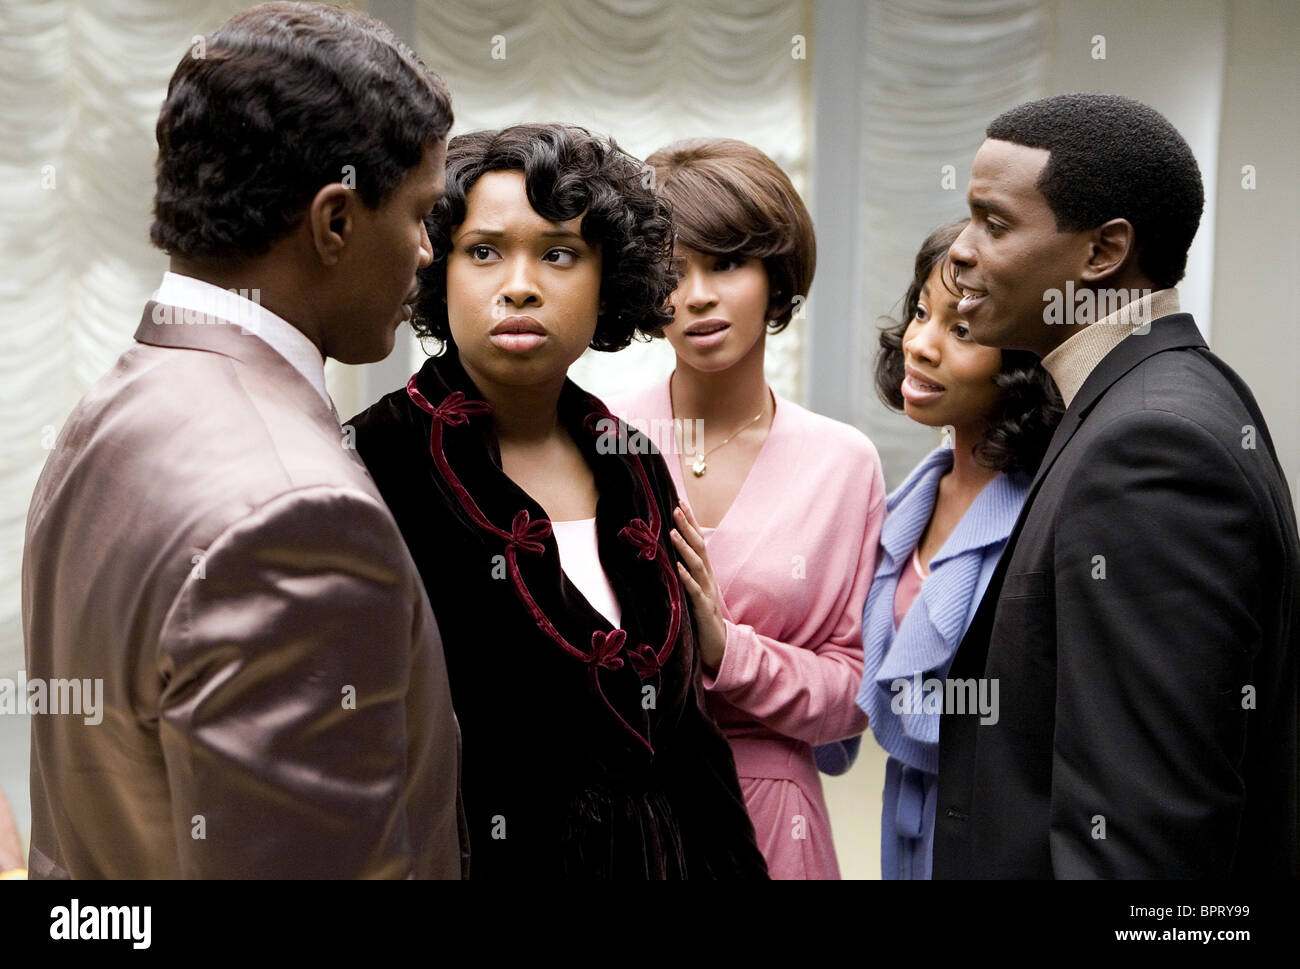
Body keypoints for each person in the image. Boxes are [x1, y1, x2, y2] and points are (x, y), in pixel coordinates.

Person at [21, 2, 465, 878]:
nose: (425, 252)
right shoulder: (300, 516)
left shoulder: (111, 408)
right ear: (335, 222)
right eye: (419, 214)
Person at [346, 123, 769, 880]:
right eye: (484, 251)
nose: (520, 284)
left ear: (609, 281)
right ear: (437, 267)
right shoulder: (374, 461)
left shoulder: (636, 462)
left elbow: (690, 744)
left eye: (559, 253)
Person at [935, 93, 1300, 878]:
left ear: (1102, 252)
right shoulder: (1150, 399)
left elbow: (1141, 845)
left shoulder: (1150, 446)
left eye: (993, 223)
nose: (958, 251)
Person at [607, 138, 886, 879]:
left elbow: (855, 694)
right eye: (673, 270)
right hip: (624, 816)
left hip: (774, 823)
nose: (697, 295)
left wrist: (728, 650)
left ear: (775, 279)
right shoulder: (600, 435)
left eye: (727, 264)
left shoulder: (842, 462)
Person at [855, 219, 1061, 879]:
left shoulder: (1041, 522)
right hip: (906, 823)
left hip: (997, 838)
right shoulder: (899, 511)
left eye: (962, 330)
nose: (919, 344)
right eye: (921, 313)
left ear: (1022, 365)